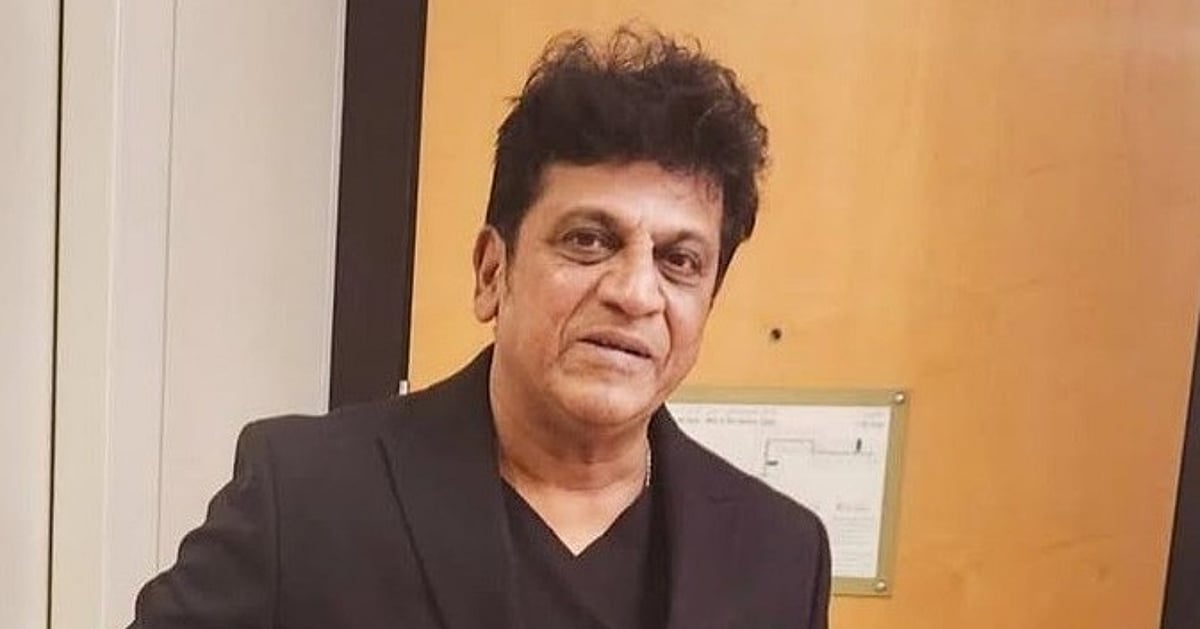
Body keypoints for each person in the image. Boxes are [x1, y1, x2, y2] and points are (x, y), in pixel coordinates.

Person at [129, 26, 830, 629]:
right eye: (589, 241)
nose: (634, 292)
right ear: (493, 272)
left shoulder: (779, 554)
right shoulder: (306, 495)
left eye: (679, 261)